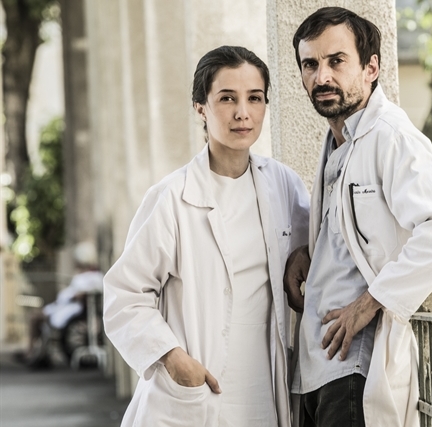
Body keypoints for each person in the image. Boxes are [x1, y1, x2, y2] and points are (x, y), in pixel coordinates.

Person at [284, 7, 432, 427]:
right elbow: (364, 230)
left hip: (355, 369)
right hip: (316, 368)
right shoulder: (339, 141)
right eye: (310, 64)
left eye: (336, 61)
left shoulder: (390, 136)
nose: (322, 77)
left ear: (371, 67)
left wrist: (370, 302)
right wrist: (309, 249)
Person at [103, 46, 309, 427]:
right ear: (201, 107)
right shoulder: (171, 197)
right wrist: (172, 358)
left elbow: (327, 242)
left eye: (255, 98)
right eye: (227, 98)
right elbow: (124, 295)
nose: (242, 112)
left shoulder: (283, 185)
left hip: (264, 387)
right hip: (195, 390)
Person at [25, 241, 104, 364]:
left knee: (36, 318)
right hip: (64, 305)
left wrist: (76, 295)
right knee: (35, 316)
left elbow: (90, 292)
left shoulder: (94, 277)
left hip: (72, 308)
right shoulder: (82, 275)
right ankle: (36, 353)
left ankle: (31, 352)